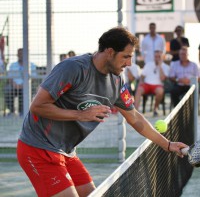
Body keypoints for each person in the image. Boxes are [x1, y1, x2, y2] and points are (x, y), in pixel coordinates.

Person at [16, 27, 187, 197]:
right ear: (110, 52)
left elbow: (135, 118)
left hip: (66, 151)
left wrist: (168, 145)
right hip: (37, 147)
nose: (129, 64)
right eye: (126, 57)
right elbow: (37, 106)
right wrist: (80, 115)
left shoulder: (117, 81)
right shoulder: (73, 68)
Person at [134, 50, 170, 116]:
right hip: (147, 84)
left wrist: (160, 67)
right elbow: (142, 76)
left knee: (160, 91)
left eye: (159, 56)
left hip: (158, 85)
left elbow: (162, 79)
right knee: (139, 89)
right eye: (156, 56)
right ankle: (136, 111)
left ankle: (155, 109)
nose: (157, 58)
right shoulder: (148, 64)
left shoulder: (166, 67)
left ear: (162, 57)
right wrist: (140, 83)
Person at [4, 48, 37, 116]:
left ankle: (22, 112)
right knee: (7, 89)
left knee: (26, 91)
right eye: (19, 54)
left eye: (22, 54)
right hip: (14, 86)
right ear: (17, 55)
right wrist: (14, 84)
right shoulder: (12, 65)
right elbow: (9, 77)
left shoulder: (32, 65)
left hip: (26, 86)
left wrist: (23, 85)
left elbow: (33, 78)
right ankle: (11, 111)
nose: (21, 55)